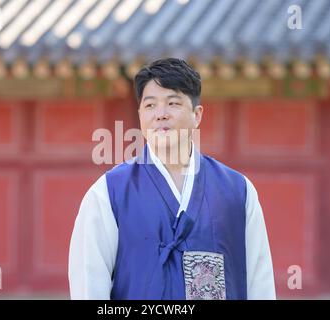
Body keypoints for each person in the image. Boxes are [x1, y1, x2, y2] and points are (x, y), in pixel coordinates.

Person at [68, 58, 275, 300]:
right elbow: (89, 285)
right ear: (140, 115)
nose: (160, 115)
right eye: (150, 106)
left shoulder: (238, 191)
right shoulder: (109, 193)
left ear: (197, 115)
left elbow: (260, 282)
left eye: (173, 103)